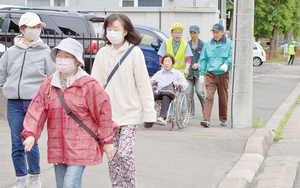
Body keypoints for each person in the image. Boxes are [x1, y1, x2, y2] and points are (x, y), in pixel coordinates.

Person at [21, 38, 117, 188]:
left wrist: (108, 141)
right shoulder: (49, 84)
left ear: (77, 61)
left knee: (69, 184)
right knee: (62, 185)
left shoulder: (88, 85)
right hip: (58, 145)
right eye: (60, 55)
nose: (62, 60)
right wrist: (31, 134)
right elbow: (36, 110)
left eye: (67, 56)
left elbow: (104, 113)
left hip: (81, 144)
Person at [91, 14, 156, 188]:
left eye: (116, 29)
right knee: (112, 155)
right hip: (108, 116)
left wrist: (150, 113)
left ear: (125, 31)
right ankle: (117, 185)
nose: (111, 32)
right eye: (109, 28)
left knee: (124, 154)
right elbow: (94, 86)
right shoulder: (102, 53)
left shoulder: (135, 53)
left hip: (130, 114)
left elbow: (143, 84)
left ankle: (131, 185)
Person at [0, 12, 57, 188]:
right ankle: (21, 179)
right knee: (17, 142)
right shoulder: (11, 52)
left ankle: (34, 177)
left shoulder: (45, 51)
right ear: (22, 29)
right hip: (14, 103)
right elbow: (1, 75)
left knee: (31, 140)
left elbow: (53, 77)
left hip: (35, 103)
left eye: (38, 27)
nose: (36, 30)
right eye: (32, 27)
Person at [198, 23, 232, 128]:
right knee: (209, 96)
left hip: (223, 73)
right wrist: (201, 73)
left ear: (222, 32)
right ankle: (206, 119)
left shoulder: (229, 44)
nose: (215, 34)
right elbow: (203, 59)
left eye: (217, 32)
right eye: (214, 32)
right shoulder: (208, 44)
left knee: (223, 97)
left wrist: (227, 64)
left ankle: (223, 119)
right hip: (211, 73)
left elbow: (232, 56)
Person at [151, 54, 188, 123]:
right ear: (162, 63)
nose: (167, 63)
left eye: (169, 61)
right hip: (159, 92)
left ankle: (162, 117)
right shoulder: (159, 73)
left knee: (166, 96)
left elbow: (186, 84)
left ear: (172, 64)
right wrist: (151, 82)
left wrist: (179, 83)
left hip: (169, 94)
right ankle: (148, 115)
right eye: (165, 61)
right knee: (150, 96)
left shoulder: (177, 73)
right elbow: (151, 81)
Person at [187, 25, 205, 118]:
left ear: (199, 33)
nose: (193, 35)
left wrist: (199, 65)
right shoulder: (187, 44)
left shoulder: (203, 45)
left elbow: (206, 59)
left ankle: (205, 109)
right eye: (191, 33)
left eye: (195, 33)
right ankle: (191, 111)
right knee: (189, 92)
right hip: (189, 73)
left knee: (199, 91)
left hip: (199, 73)